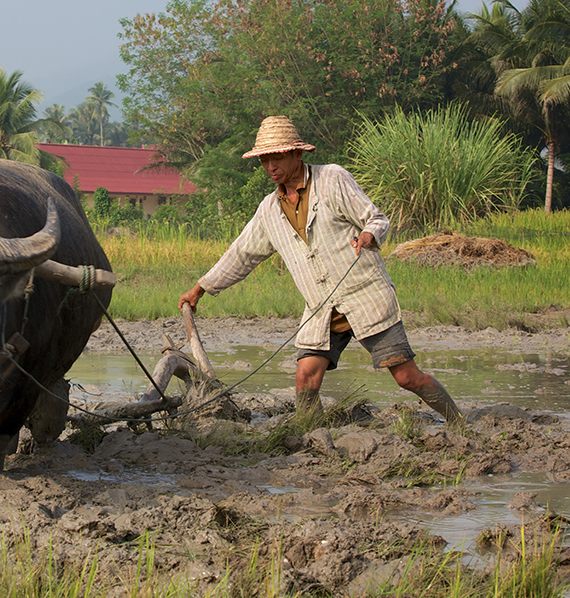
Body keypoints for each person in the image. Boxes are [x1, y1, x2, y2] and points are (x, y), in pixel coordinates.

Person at [179, 115, 462, 422]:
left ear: (296, 154)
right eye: (264, 161)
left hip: (366, 296)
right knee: (306, 379)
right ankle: (307, 436)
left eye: (276, 158)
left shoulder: (331, 179)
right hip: (321, 307)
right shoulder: (269, 210)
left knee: (406, 377)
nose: (270, 167)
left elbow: (376, 218)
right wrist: (200, 288)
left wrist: (368, 235)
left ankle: (458, 422)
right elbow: (242, 254)